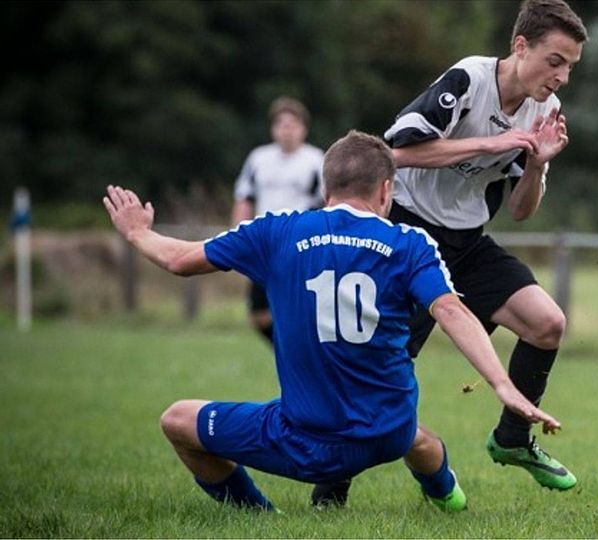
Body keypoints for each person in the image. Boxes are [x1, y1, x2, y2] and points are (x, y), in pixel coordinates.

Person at [101, 130, 561, 513]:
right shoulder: (411, 243)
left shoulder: (276, 231)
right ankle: (450, 499)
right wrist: (503, 385)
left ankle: (260, 517)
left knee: (178, 420)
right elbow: (452, 310)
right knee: (417, 438)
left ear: (326, 190)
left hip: (307, 442)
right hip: (388, 432)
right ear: (386, 191)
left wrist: (138, 231)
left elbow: (181, 260)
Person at [386, 0, 587, 491]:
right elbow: (397, 151)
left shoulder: (547, 108)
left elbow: (521, 211)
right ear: (520, 46)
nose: (561, 77)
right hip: (408, 234)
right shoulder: (469, 80)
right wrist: (489, 144)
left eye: (570, 67)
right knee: (386, 370)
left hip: (466, 241)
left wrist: (536, 162)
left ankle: (514, 438)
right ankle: (332, 489)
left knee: (547, 324)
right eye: (554, 61)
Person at [231, 96, 325, 345]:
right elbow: (244, 198)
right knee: (259, 315)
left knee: (299, 306)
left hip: (300, 244)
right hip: (264, 243)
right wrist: (237, 237)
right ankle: (291, 351)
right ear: (273, 128)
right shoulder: (258, 159)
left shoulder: (316, 160)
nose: (287, 130)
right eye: (281, 124)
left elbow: (327, 203)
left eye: (292, 124)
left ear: (303, 128)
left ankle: (302, 357)